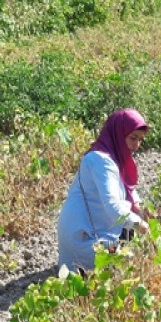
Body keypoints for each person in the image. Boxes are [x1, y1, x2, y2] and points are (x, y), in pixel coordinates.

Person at [58, 109, 150, 273]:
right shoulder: (101, 161)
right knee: (131, 253)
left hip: (88, 231)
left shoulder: (113, 157)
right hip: (82, 238)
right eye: (132, 138)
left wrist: (139, 207)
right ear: (118, 134)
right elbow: (112, 204)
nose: (137, 145)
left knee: (131, 238)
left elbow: (126, 187)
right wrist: (139, 223)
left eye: (140, 140)